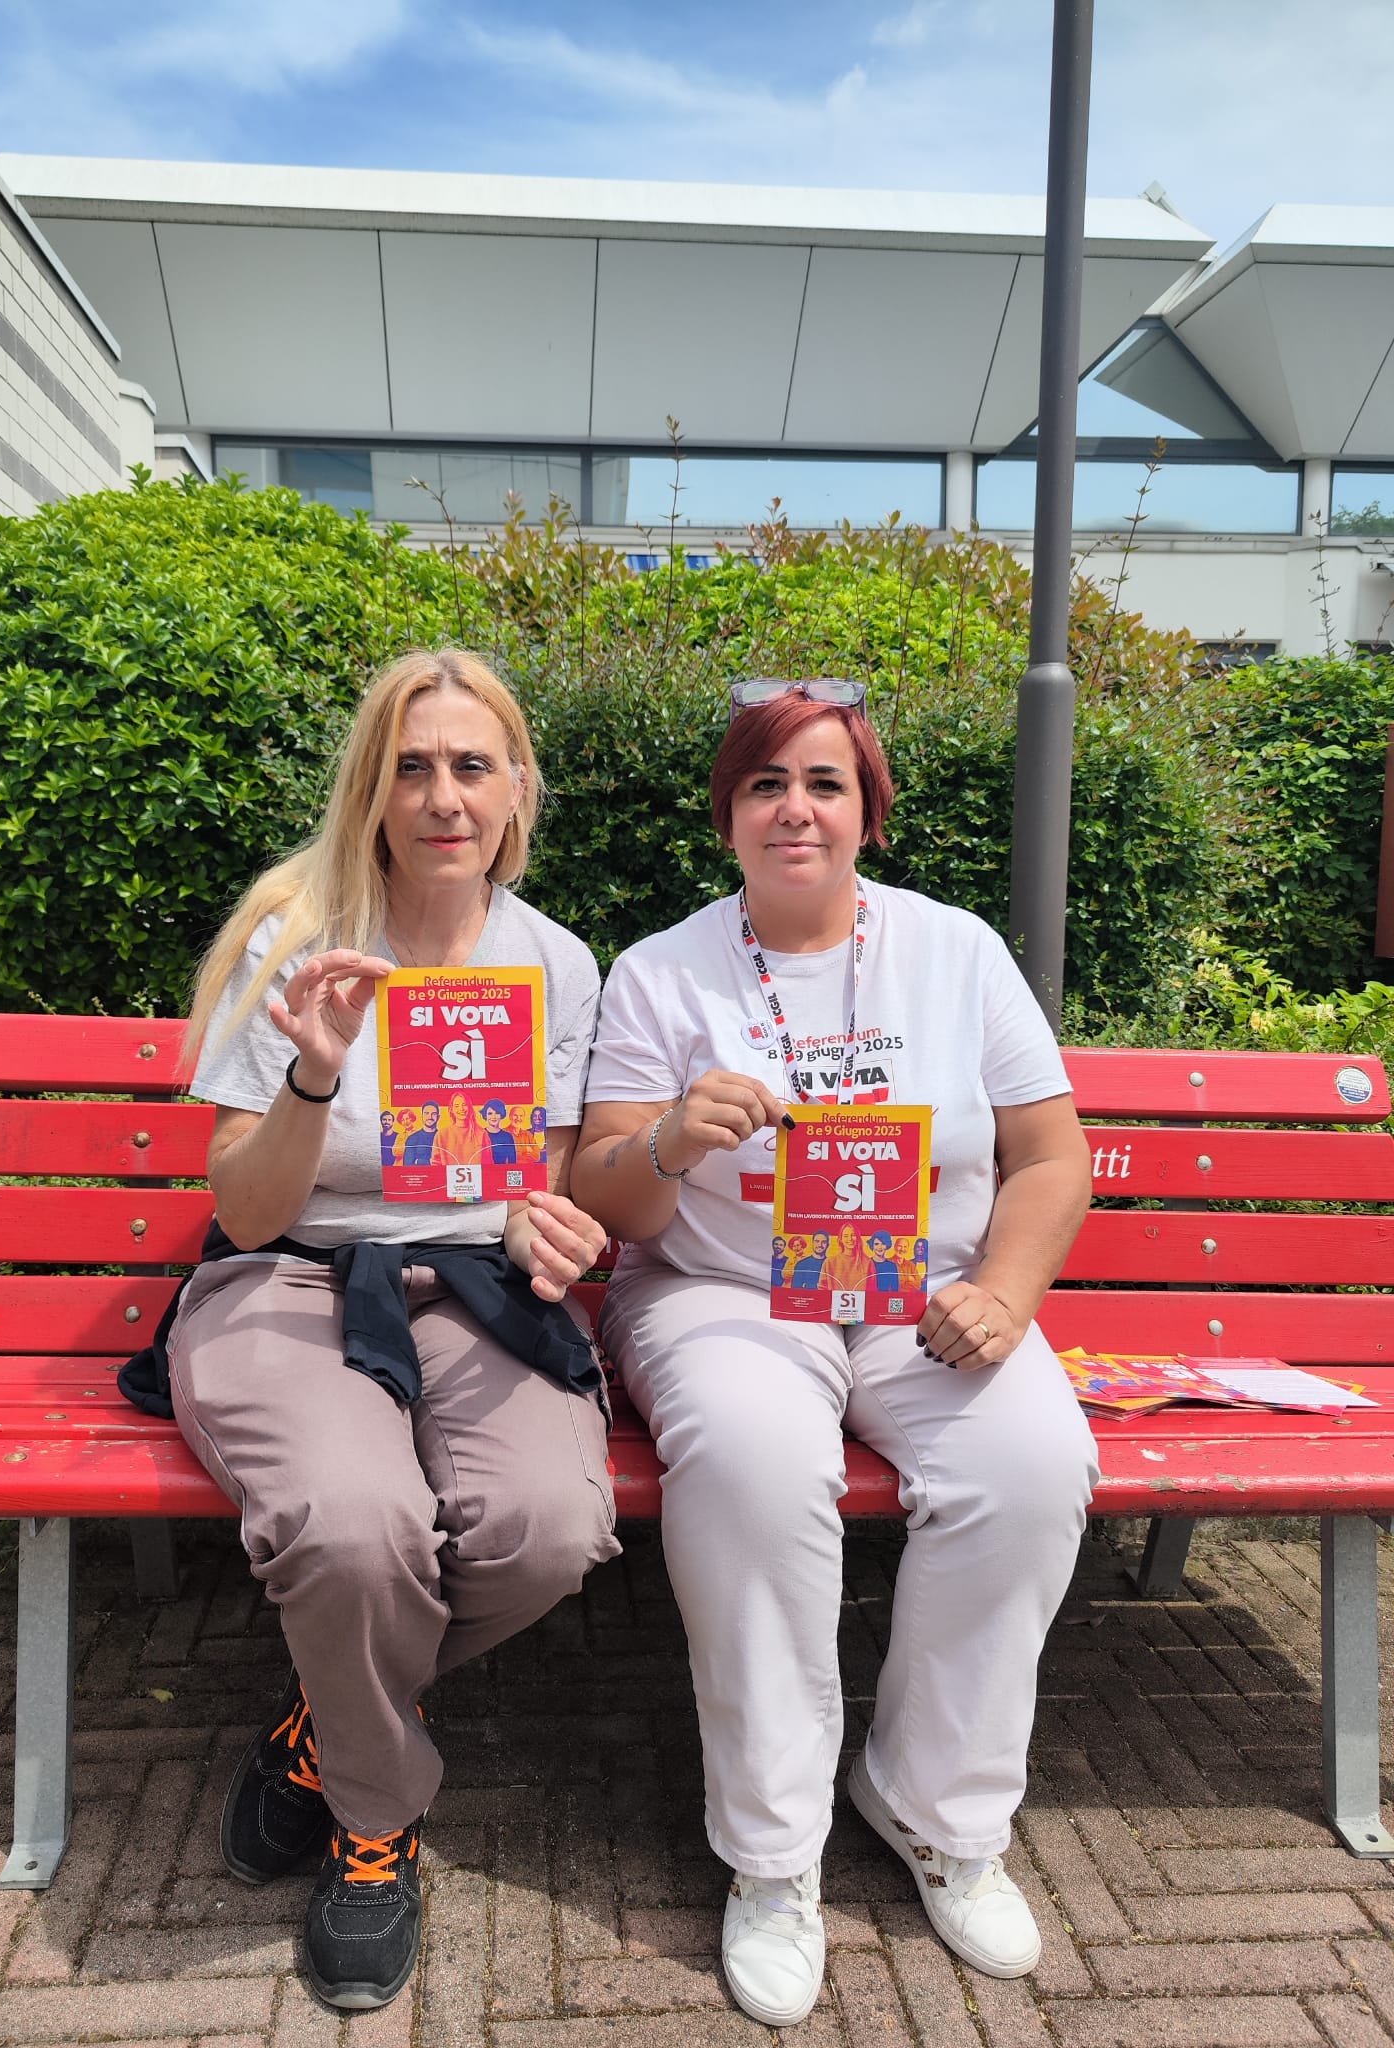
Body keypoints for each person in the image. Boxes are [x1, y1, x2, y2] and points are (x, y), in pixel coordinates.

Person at [572, 677, 1096, 2028]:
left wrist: (1006, 1290)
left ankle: (936, 1810)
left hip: (923, 1290)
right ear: (727, 817)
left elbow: (1051, 1156)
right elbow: (609, 1197)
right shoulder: (661, 971)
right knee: (753, 1465)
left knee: (1033, 1463)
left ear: (869, 810)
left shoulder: (954, 951)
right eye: (765, 784)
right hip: (724, 1291)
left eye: (825, 783)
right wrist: (670, 1139)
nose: (795, 809)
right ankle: (772, 1854)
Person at [136, 647, 619, 2013]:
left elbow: (541, 1178)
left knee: (548, 1527)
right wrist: (313, 1074)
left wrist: (545, 1225)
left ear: (516, 787)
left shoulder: (554, 961)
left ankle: (321, 1722)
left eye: (471, 764)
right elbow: (244, 1211)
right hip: (289, 1279)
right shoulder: (297, 938)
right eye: (411, 767)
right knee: (355, 1529)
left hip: (474, 1287)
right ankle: (372, 1821)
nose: (442, 795)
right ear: (372, 788)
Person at [480, 1099, 519, 1164]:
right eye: (490, 1113)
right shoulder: (480, 1135)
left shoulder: (507, 1137)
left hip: (501, 1169)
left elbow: (512, 1161)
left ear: (501, 1115)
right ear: (485, 1115)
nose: (493, 1117)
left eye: (497, 1113)